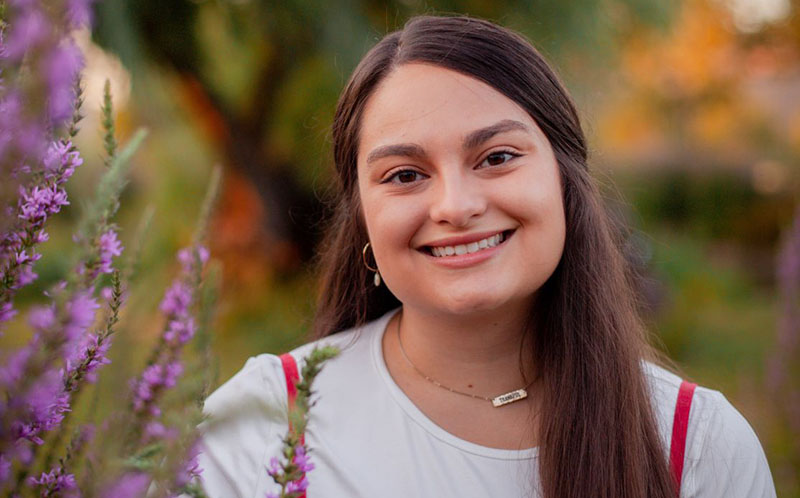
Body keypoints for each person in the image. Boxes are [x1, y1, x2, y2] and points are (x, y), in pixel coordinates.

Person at [196, 15, 776, 498]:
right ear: (365, 222)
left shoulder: (694, 446)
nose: (454, 205)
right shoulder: (264, 428)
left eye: (496, 157)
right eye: (404, 174)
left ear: (565, 183)